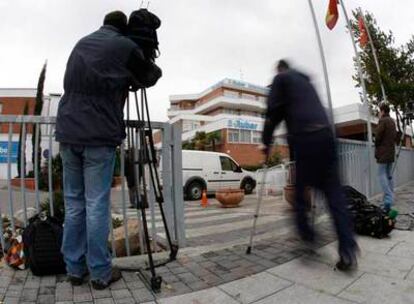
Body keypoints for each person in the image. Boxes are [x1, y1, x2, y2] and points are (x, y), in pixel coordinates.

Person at [56, 11, 161, 289]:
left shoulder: (82, 42)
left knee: (74, 203)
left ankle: (75, 270)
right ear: (123, 29)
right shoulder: (125, 46)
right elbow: (149, 76)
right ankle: (100, 273)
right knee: (96, 204)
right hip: (98, 134)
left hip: (68, 131)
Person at [262, 60, 358, 271]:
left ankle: (308, 239)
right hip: (327, 137)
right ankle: (348, 250)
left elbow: (272, 114)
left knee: (299, 196)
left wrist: (265, 143)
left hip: (307, 138)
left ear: (279, 69)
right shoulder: (306, 81)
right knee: (335, 196)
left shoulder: (281, 79)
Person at [375, 103, 397, 213]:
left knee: (381, 175)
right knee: (388, 175)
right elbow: (395, 136)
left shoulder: (383, 121)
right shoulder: (392, 121)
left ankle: (388, 199)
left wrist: (376, 144)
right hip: (391, 152)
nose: (379, 113)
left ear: (382, 111)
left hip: (383, 152)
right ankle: (389, 197)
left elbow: (378, 136)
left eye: (380, 111)